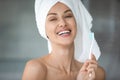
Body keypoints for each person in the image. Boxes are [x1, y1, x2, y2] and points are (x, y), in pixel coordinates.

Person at [22, 0, 105, 80]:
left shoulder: (96, 74)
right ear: (43, 29)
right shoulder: (36, 69)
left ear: (77, 21)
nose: (63, 23)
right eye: (53, 19)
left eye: (68, 16)